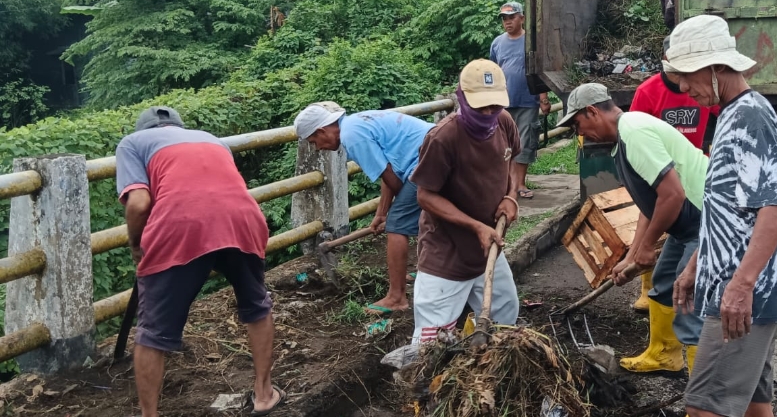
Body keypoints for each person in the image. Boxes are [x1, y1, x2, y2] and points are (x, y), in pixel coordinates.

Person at [664, 15, 777, 417]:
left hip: (740, 296)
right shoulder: (732, 113)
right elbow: (730, 213)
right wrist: (694, 265)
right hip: (743, 291)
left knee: (704, 409)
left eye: (688, 75)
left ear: (718, 68)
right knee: (756, 405)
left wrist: (741, 285)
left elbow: (775, 205)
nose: (683, 88)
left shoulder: (749, 115)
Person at [115, 107, 284, 417]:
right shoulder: (212, 140)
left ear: (143, 128)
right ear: (180, 126)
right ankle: (264, 393)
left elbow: (139, 203)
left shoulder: (132, 142)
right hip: (242, 218)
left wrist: (136, 245)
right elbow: (218, 188)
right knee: (256, 305)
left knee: (153, 331)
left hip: (181, 223)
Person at [558, 83, 708, 375]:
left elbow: (673, 195)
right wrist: (633, 255)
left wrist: (649, 246)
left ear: (592, 112)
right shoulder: (621, 143)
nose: (579, 133)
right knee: (664, 284)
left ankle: (704, 398)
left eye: (578, 124)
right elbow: (649, 205)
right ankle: (665, 355)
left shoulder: (634, 131)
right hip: (685, 225)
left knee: (688, 298)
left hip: (705, 222)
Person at [409, 59, 521, 343]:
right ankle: (427, 387)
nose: (487, 113)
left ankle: (491, 376)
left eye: (494, 106)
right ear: (461, 98)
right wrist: (475, 226)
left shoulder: (504, 122)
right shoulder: (443, 138)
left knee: (505, 318)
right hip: (447, 253)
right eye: (479, 106)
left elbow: (512, 161)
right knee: (432, 341)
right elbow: (425, 195)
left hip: (489, 248)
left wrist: (510, 196)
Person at [293, 103, 433, 315]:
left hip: (426, 160)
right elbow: (389, 170)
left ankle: (396, 298)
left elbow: (392, 179)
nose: (318, 148)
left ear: (322, 130)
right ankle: (428, 271)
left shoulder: (352, 136)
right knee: (430, 215)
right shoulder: (356, 123)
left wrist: (393, 215)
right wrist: (381, 213)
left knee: (396, 227)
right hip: (433, 153)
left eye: (314, 141)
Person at [628, 36, 719, 312]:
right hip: (659, 171)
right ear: (665, 60)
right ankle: (647, 291)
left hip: (691, 171)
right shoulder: (647, 92)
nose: (684, 85)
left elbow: (721, 113)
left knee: (688, 239)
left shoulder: (702, 88)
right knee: (651, 219)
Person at [489, 1, 551, 200]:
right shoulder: (497, 43)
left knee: (524, 142)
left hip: (527, 100)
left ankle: (520, 184)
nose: (508, 21)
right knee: (502, 144)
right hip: (502, 103)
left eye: (512, 17)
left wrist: (543, 98)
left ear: (522, 18)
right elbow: (493, 71)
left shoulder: (531, 42)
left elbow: (539, 71)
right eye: (505, 18)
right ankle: (507, 185)